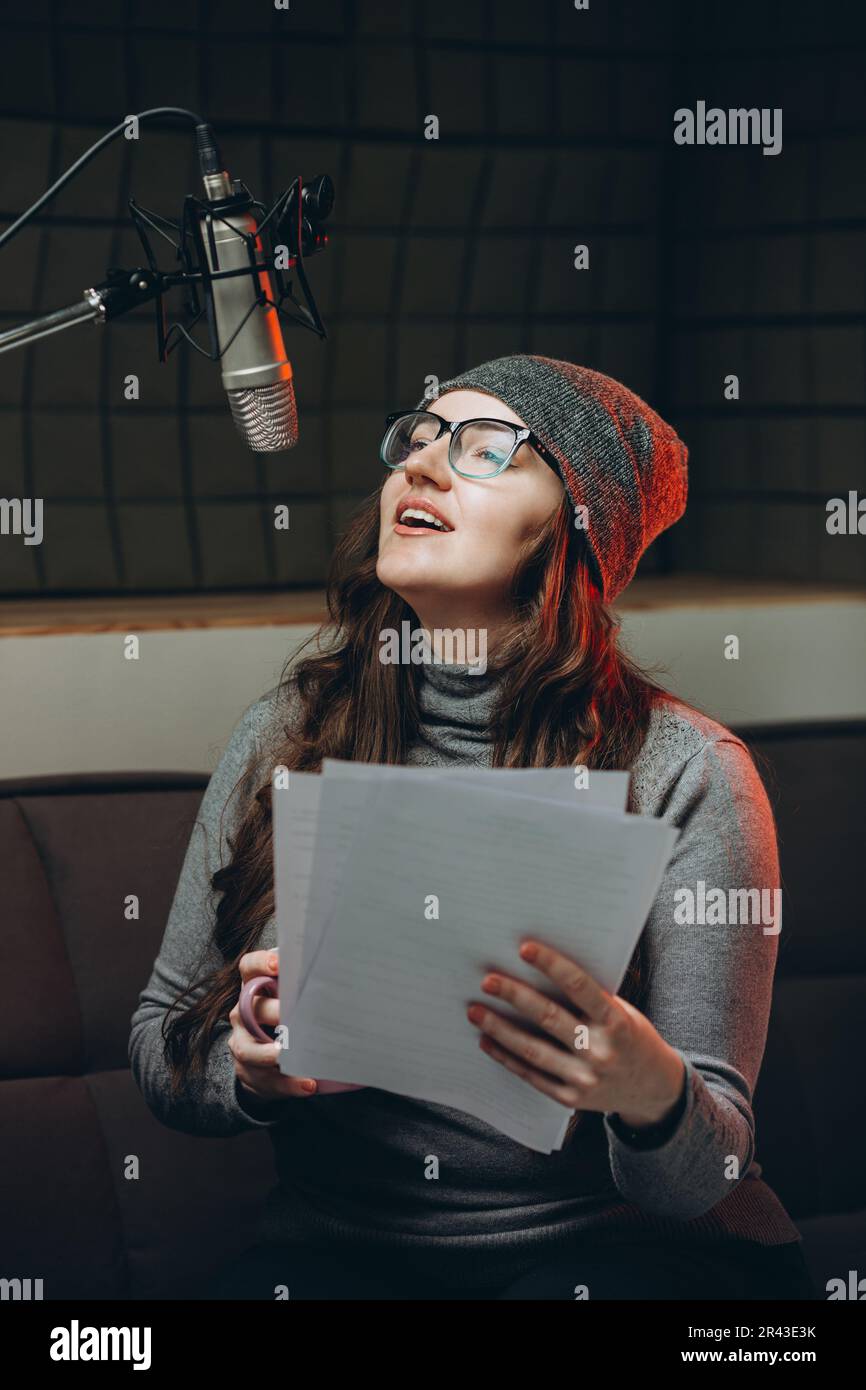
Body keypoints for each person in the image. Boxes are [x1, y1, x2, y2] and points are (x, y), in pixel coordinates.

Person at [128, 353, 816, 1301]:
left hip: (620, 1254)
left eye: (488, 450)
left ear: (576, 528)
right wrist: (248, 1071)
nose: (421, 465)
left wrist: (646, 1089)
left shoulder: (690, 771)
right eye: (416, 438)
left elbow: (708, 1177)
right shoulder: (284, 732)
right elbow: (161, 1043)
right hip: (343, 1255)